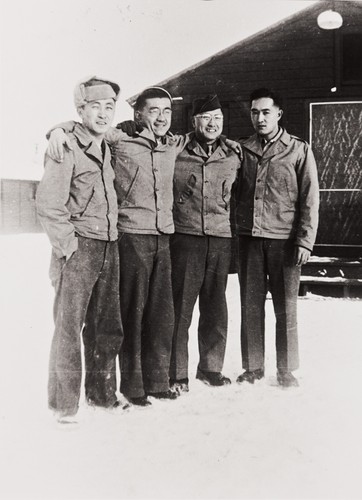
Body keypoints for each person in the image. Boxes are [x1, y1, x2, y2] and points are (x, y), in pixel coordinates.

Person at [46, 87, 190, 406]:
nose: (161, 117)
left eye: (167, 111)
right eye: (153, 111)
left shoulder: (174, 145)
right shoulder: (119, 140)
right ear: (138, 115)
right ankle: (132, 387)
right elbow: (84, 126)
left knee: (161, 316)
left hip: (162, 238)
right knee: (131, 316)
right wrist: (57, 129)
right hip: (129, 237)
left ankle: (156, 381)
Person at [36, 76, 124, 423]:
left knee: (107, 326)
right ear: (80, 110)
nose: (103, 114)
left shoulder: (108, 144)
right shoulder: (66, 147)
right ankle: (64, 405)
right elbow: (49, 205)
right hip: (78, 249)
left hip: (108, 245)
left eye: (109, 106)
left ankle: (102, 396)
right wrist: (68, 247)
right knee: (69, 328)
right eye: (95, 107)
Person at [234, 87, 319, 388]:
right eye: (255, 112)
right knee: (250, 306)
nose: (259, 118)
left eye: (266, 112)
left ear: (279, 114)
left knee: (286, 308)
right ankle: (253, 366)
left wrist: (305, 241)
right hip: (250, 240)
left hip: (285, 244)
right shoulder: (242, 149)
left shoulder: (298, 150)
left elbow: (310, 200)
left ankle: (286, 369)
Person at [169, 94, 241, 393]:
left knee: (215, 308)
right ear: (194, 121)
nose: (212, 124)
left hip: (220, 239)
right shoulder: (176, 148)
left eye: (218, 119)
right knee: (180, 310)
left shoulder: (234, 153)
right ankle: (176, 374)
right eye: (206, 118)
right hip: (186, 238)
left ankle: (211, 368)